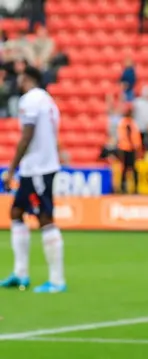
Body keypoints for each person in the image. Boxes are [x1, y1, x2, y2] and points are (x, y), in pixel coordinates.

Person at [0, 66, 67, 294]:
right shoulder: (49, 102)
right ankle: (20, 274)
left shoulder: (30, 99)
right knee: (17, 212)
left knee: (45, 217)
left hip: (38, 168)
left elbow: (27, 134)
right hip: (38, 166)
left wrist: (11, 168)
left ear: (27, 78)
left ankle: (57, 281)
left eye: (19, 77)